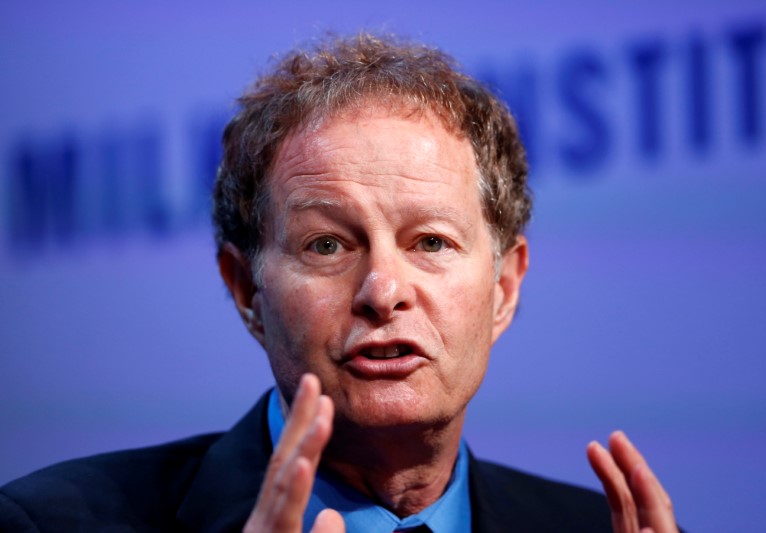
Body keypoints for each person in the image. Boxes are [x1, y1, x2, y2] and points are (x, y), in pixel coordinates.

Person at [0, 34, 678, 533]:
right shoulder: (48, 523)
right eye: (328, 244)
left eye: (431, 241)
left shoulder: (596, 527)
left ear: (504, 286)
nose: (384, 290)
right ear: (245, 289)